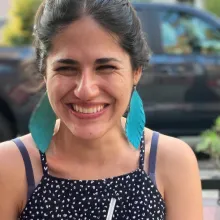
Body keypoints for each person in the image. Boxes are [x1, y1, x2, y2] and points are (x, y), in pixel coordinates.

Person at [0, 0, 203, 219]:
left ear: (136, 71)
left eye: (106, 67)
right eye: (66, 68)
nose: (85, 90)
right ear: (45, 73)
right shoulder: (11, 166)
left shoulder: (172, 162)